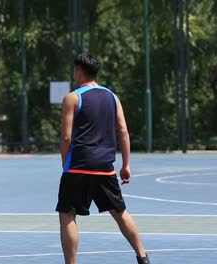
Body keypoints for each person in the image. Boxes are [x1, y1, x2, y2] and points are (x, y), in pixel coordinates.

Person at [56, 52, 151, 264]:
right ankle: (142, 256)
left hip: (79, 166)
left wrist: (65, 163)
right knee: (120, 212)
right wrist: (126, 165)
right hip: (105, 167)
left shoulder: (73, 97)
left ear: (79, 71)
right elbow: (123, 131)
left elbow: (66, 136)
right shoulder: (112, 97)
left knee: (67, 215)